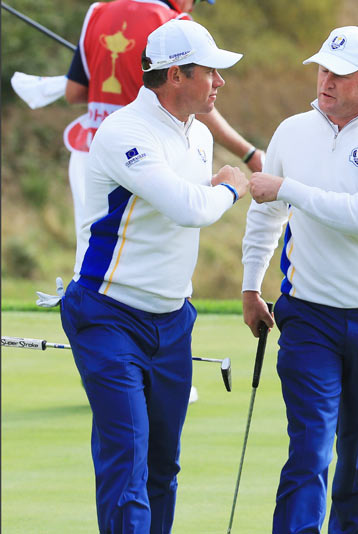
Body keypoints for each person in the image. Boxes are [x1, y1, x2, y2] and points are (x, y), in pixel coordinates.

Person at [60, 19, 248, 534]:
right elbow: (190, 208)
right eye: (210, 72)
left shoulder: (201, 135)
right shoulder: (124, 132)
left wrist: (214, 188)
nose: (220, 82)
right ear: (174, 76)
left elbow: (185, 199)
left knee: (163, 468)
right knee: (128, 463)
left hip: (172, 322)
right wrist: (230, 187)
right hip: (108, 314)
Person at [241, 26, 358, 534]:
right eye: (323, 68)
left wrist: (287, 187)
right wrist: (251, 285)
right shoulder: (292, 131)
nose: (327, 81)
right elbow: (266, 215)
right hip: (308, 314)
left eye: (341, 74)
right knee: (309, 448)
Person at [64, 0, 264, 235]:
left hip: (89, 154)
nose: (192, 7)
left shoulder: (97, 13)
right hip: (140, 145)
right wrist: (248, 154)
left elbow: (73, 92)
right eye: (195, 0)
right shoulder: (177, 28)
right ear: (175, 74)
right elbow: (188, 103)